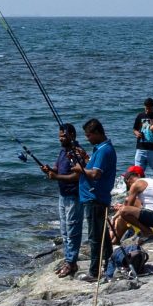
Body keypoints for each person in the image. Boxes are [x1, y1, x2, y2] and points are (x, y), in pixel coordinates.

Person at [71, 118, 116, 282]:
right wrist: (85, 161)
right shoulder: (101, 149)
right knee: (103, 234)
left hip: (95, 198)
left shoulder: (104, 150)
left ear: (97, 133)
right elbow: (94, 168)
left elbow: (96, 174)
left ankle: (94, 272)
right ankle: (111, 264)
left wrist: (79, 169)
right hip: (95, 197)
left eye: (89, 135)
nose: (87, 138)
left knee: (95, 237)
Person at [41, 122, 86, 277]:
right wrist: (50, 170)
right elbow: (58, 168)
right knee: (65, 231)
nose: (60, 139)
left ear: (72, 135)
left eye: (63, 136)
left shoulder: (76, 153)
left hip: (74, 196)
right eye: (59, 136)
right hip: (63, 195)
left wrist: (56, 177)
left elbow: (78, 175)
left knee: (73, 230)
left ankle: (71, 262)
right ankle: (68, 261)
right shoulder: (63, 151)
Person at [111, 164, 153, 240]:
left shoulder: (136, 184)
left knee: (123, 212)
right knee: (123, 213)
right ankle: (114, 240)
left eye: (127, 184)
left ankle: (146, 231)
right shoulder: (150, 181)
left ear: (129, 180)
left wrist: (116, 214)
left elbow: (127, 208)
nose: (128, 187)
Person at [131, 98, 153, 185]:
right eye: (146, 108)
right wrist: (136, 133)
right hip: (140, 148)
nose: (147, 110)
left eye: (149, 108)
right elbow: (134, 129)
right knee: (138, 170)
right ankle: (140, 188)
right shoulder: (140, 116)